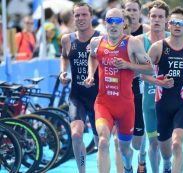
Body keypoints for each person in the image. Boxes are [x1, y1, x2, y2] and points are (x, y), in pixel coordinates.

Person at [84, 8, 153, 173]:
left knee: (125, 149)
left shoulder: (132, 42)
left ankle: (128, 166)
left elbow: (150, 68)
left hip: (125, 106)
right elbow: (93, 56)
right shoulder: (96, 42)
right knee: (102, 141)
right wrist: (90, 74)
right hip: (103, 103)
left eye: (117, 21)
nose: (113, 25)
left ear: (124, 24)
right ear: (105, 23)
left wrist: (128, 65)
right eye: (110, 21)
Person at [148, 7, 183, 173]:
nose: (177, 25)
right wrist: (159, 83)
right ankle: (166, 165)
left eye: (181, 23)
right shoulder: (157, 48)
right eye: (173, 22)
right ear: (168, 25)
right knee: (165, 153)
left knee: (177, 144)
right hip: (162, 105)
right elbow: (141, 74)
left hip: (182, 104)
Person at [59, 3, 100, 173]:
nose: (81, 18)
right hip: (77, 96)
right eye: (77, 15)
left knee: (101, 141)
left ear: (91, 16)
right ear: (73, 18)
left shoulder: (100, 38)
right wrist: (62, 73)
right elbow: (64, 56)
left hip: (99, 96)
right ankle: (82, 171)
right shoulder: (67, 39)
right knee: (76, 135)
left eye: (84, 15)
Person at [135, 1, 170, 172]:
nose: (156, 20)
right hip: (149, 98)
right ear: (148, 18)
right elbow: (137, 72)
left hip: (171, 99)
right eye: (153, 16)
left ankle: (168, 166)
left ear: (166, 20)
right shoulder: (140, 41)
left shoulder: (175, 39)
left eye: (160, 17)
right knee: (154, 143)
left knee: (171, 143)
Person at [123, 0, 150, 172]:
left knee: (140, 133)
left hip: (143, 83)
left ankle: (142, 156)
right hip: (121, 87)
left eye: (135, 10)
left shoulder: (146, 32)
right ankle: (126, 167)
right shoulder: (116, 31)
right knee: (122, 137)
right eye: (129, 10)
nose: (132, 13)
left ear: (140, 12)